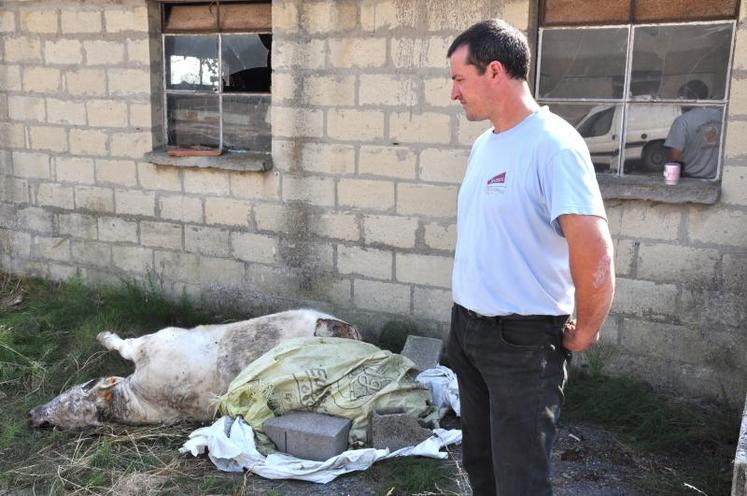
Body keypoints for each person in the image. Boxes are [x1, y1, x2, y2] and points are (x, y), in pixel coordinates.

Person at [446, 20, 615, 496]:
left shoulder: (554, 145)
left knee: (520, 479)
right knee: (481, 466)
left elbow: (594, 251)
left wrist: (585, 329)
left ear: (494, 71)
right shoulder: (486, 145)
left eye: (459, 79)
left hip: (522, 344)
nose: (453, 93)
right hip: (469, 330)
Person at [664, 80, 722, 179]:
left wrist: (671, 181)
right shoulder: (720, 116)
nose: (680, 103)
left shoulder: (682, 121)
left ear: (689, 98)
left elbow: (675, 159)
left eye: (682, 98)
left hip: (691, 179)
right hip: (717, 178)